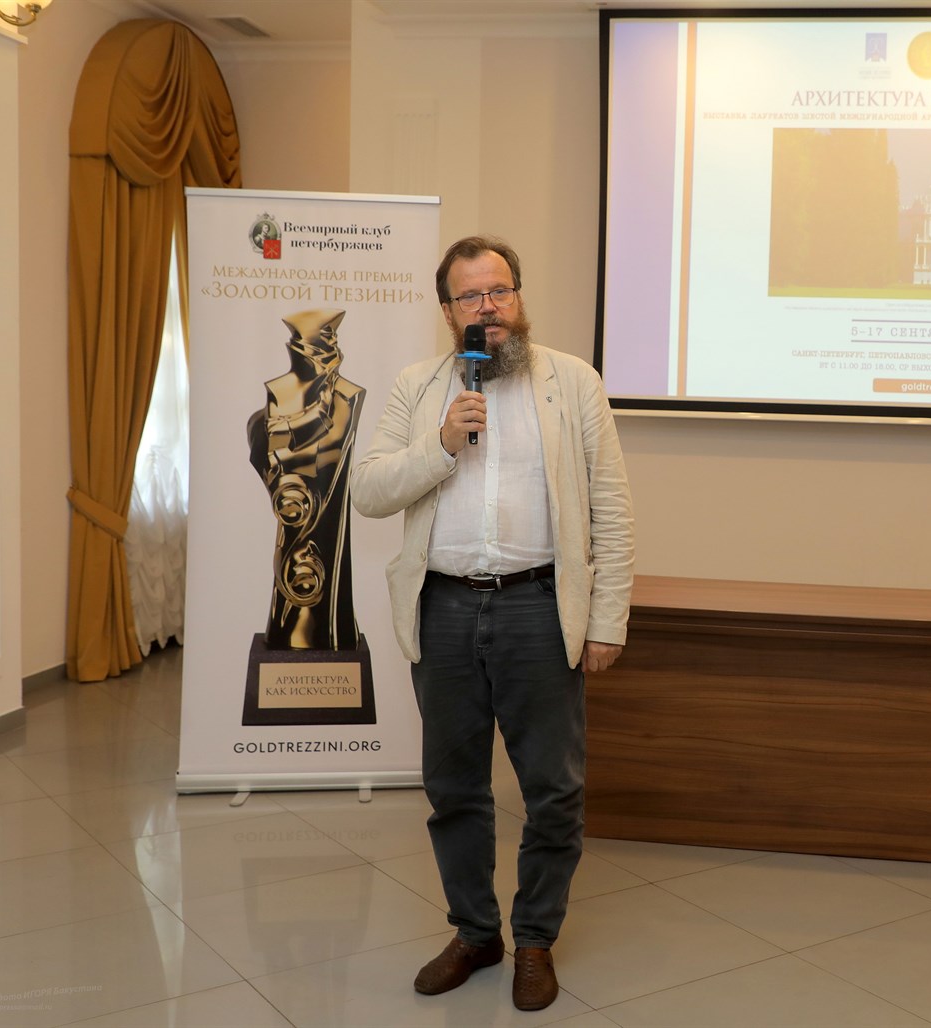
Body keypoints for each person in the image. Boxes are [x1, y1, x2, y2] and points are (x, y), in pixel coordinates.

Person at [351, 235, 634, 1011]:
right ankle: (476, 933)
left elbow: (610, 507)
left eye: (500, 290)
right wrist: (442, 444)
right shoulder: (418, 387)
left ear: (518, 296)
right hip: (443, 610)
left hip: (539, 608)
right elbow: (370, 491)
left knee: (553, 791)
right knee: (455, 791)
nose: (489, 307)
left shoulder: (572, 382)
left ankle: (535, 939)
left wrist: (607, 617)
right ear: (448, 311)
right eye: (471, 296)